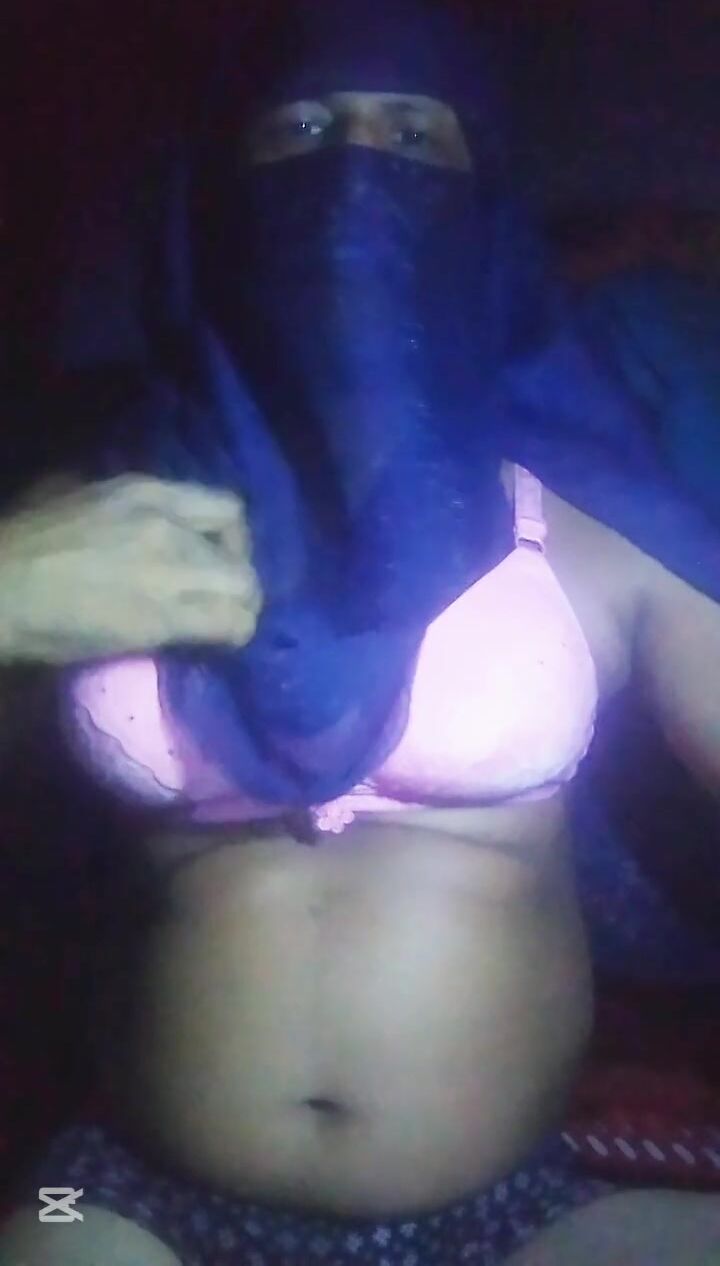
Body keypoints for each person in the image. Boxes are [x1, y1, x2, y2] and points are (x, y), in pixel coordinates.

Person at [1, 1, 719, 1264]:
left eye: (414, 137)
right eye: (302, 130)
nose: (354, 178)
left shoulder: (591, 519)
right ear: (218, 200)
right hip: (115, 1190)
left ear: (486, 207)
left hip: (516, 1212)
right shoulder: (84, 514)